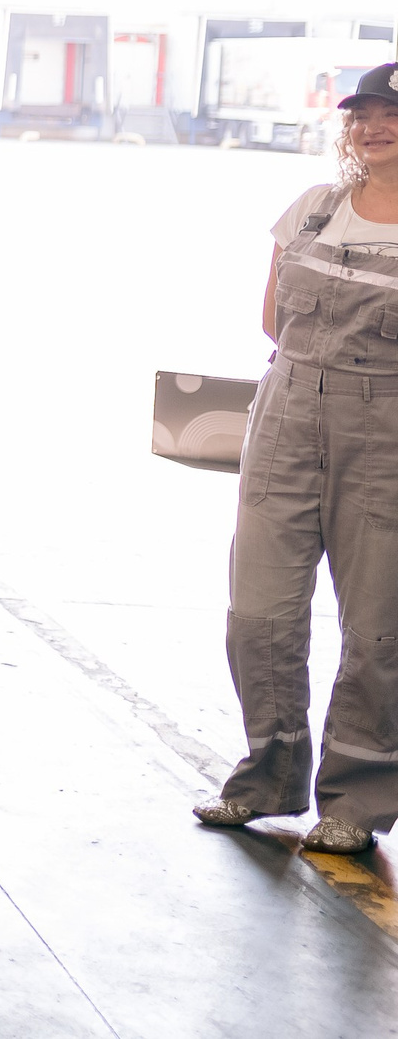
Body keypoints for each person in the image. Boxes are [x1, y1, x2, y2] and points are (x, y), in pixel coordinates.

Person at [195, 60, 398, 858]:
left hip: (386, 430)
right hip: (285, 414)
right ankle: (266, 778)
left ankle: (358, 796)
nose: (374, 126)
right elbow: (274, 317)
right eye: (363, 115)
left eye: (391, 114)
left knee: (380, 625)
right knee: (259, 613)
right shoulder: (313, 210)